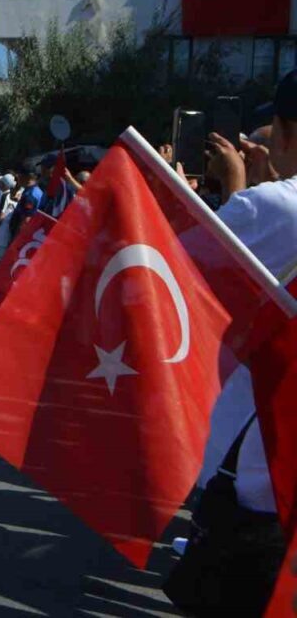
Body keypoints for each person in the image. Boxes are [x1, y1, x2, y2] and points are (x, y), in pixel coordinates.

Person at [170, 71, 297, 614]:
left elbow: (168, 281)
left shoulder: (271, 207)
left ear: (287, 131)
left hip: (256, 481)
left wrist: (238, 189)